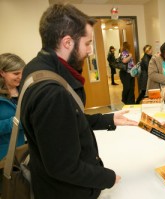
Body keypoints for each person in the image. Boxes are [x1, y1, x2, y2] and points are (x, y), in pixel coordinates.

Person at [18, 4, 137, 199]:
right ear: (67, 42)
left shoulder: (36, 67)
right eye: (88, 43)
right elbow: (64, 167)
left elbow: (66, 122)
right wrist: (106, 177)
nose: (90, 50)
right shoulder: (52, 93)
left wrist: (108, 119)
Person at [0, 53, 26, 194]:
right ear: (2, 72)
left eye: (22, 72)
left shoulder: (24, 89)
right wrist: (16, 122)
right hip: (5, 156)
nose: (20, 77)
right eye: (15, 73)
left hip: (25, 151)